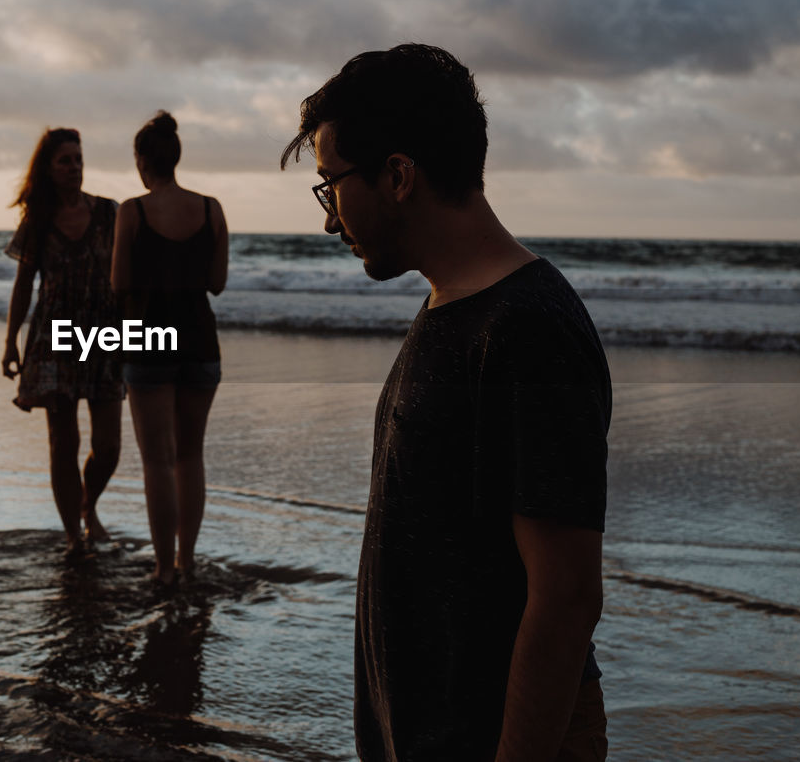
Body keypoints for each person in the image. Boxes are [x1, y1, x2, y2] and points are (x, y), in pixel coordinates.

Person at [280, 45, 611, 761]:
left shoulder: (526, 328)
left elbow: (567, 596)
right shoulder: (454, 309)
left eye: (329, 184)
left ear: (397, 176)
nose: (330, 220)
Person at [112, 111, 228, 585]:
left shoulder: (132, 211)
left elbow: (119, 282)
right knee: (190, 456)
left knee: (157, 459)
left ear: (142, 161)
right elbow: (217, 283)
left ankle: (162, 570)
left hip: (149, 339)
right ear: (175, 157)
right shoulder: (211, 207)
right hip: (200, 338)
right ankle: (187, 563)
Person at [3, 127, 123, 553]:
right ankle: (74, 535)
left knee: (108, 447)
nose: (74, 167)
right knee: (64, 443)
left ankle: (88, 507)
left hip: (105, 334)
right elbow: (22, 286)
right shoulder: (37, 222)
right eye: (65, 160)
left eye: (78, 159)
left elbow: (130, 276)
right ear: (48, 168)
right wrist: (10, 343)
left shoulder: (110, 213)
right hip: (53, 337)